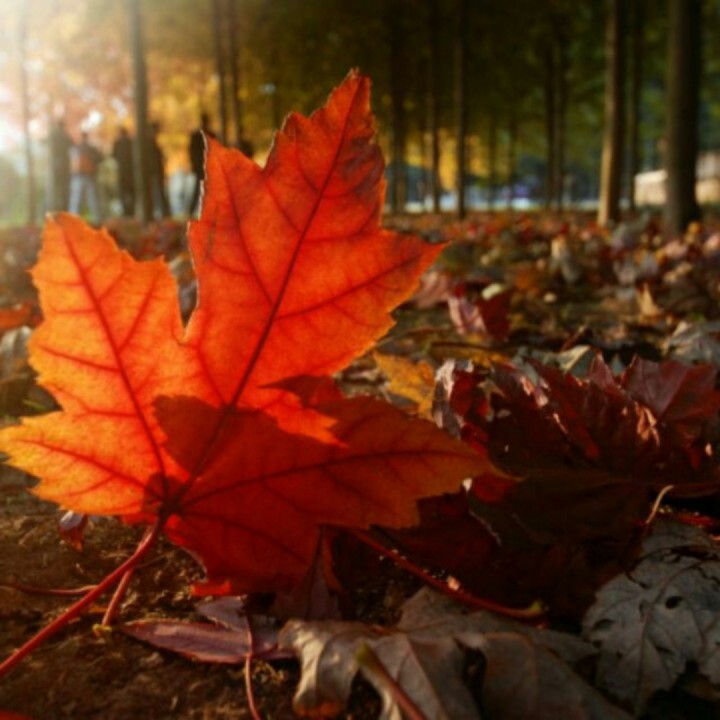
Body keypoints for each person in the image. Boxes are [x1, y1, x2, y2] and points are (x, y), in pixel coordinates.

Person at [69, 131, 103, 225]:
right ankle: (98, 219)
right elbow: (100, 159)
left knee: (76, 200)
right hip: (89, 176)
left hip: (77, 176)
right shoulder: (92, 148)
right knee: (93, 199)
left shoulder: (75, 148)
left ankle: (73, 220)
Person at [187, 112, 215, 217]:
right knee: (201, 189)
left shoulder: (199, 135)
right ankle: (194, 211)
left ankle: (201, 211)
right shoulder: (207, 135)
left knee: (205, 189)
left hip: (206, 166)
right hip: (203, 166)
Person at [48, 119, 72, 212]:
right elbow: (72, 144)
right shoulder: (65, 136)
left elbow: (43, 142)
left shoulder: (52, 135)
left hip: (54, 165)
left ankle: (53, 208)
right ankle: (63, 209)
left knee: (54, 188)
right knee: (63, 188)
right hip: (64, 165)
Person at [147, 121, 170, 219]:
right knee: (157, 192)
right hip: (154, 171)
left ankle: (163, 211)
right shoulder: (150, 142)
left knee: (158, 192)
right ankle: (162, 211)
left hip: (156, 171)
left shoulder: (152, 142)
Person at [112, 126, 134, 217]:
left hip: (122, 171)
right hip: (130, 171)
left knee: (123, 192)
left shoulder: (117, 143)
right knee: (131, 193)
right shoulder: (131, 143)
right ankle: (131, 210)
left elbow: (113, 155)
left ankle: (125, 211)